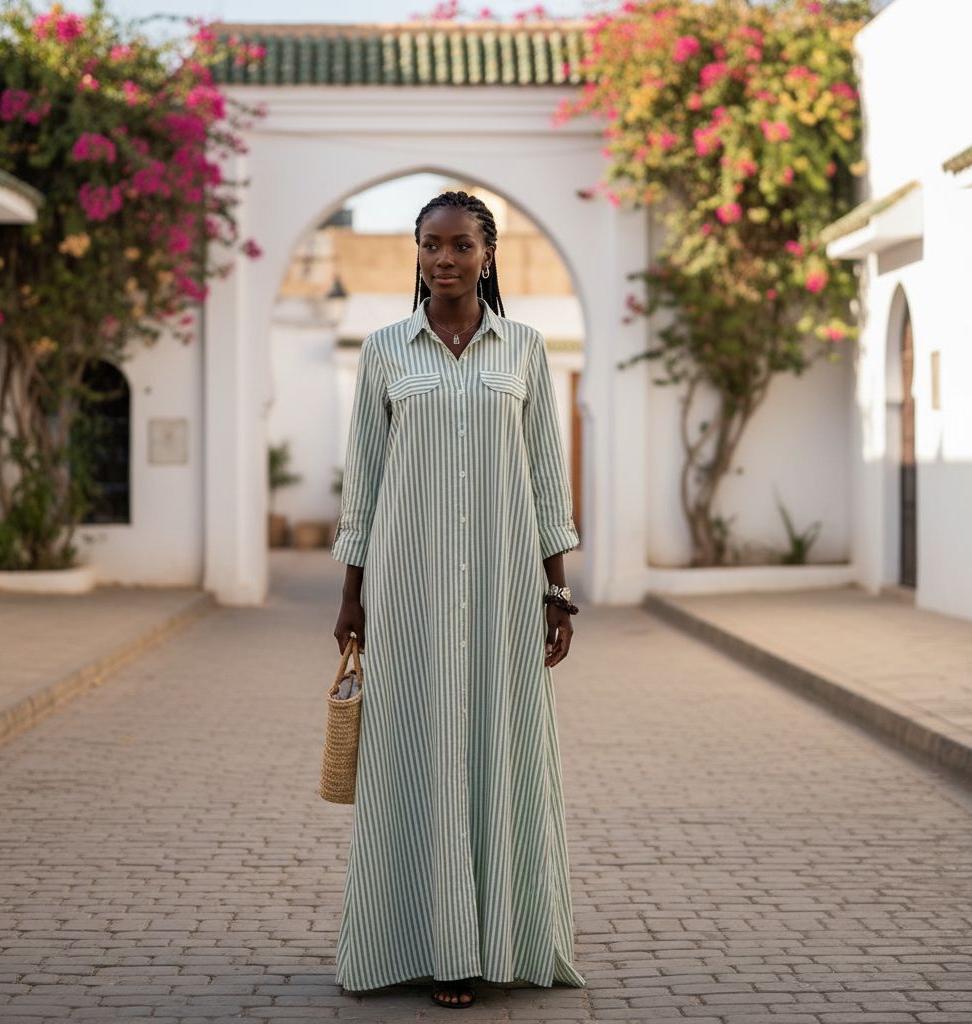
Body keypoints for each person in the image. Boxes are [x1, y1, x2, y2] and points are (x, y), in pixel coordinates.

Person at [330, 189, 585, 1009]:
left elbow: (547, 477)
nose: (444, 259)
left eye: (460, 246)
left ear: (487, 254)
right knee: (416, 757)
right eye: (430, 246)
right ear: (416, 254)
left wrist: (556, 588)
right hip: (407, 592)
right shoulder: (384, 352)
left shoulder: (526, 351)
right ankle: (427, 945)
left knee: (499, 752)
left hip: (508, 589)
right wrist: (351, 597)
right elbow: (363, 484)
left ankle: (501, 940)